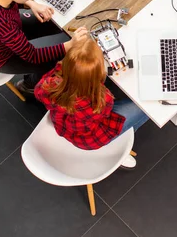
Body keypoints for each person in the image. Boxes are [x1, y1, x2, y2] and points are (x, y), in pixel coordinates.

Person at [35, 38, 149, 168]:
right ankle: (121, 146)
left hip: (63, 126)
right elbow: (105, 114)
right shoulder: (102, 99)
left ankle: (122, 140)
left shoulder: (48, 85)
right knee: (147, 107)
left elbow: (39, 89)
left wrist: (66, 66)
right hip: (90, 139)